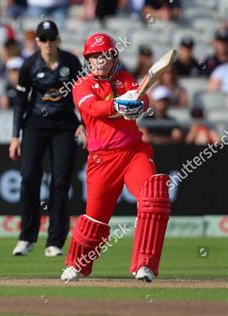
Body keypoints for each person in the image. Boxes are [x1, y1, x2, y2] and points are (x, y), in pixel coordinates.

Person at [61, 33, 171, 283]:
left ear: (113, 57)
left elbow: (141, 95)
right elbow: (93, 108)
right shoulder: (82, 86)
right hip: (102, 160)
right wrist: (119, 106)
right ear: (87, 60)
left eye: (104, 55)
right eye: (94, 56)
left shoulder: (125, 79)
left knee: (154, 198)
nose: (99, 60)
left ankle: (144, 265)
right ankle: (76, 264)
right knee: (94, 221)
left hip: (134, 152)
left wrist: (140, 103)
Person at [9, 20, 84, 257]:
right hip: (35, 126)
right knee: (29, 177)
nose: (48, 43)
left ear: (58, 39)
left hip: (64, 126)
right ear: (37, 41)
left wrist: (84, 122)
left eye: (52, 38)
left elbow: (83, 94)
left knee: (60, 181)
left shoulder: (71, 62)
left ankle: (55, 241)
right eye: (43, 39)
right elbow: (20, 102)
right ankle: (27, 237)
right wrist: (14, 136)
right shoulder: (29, 65)